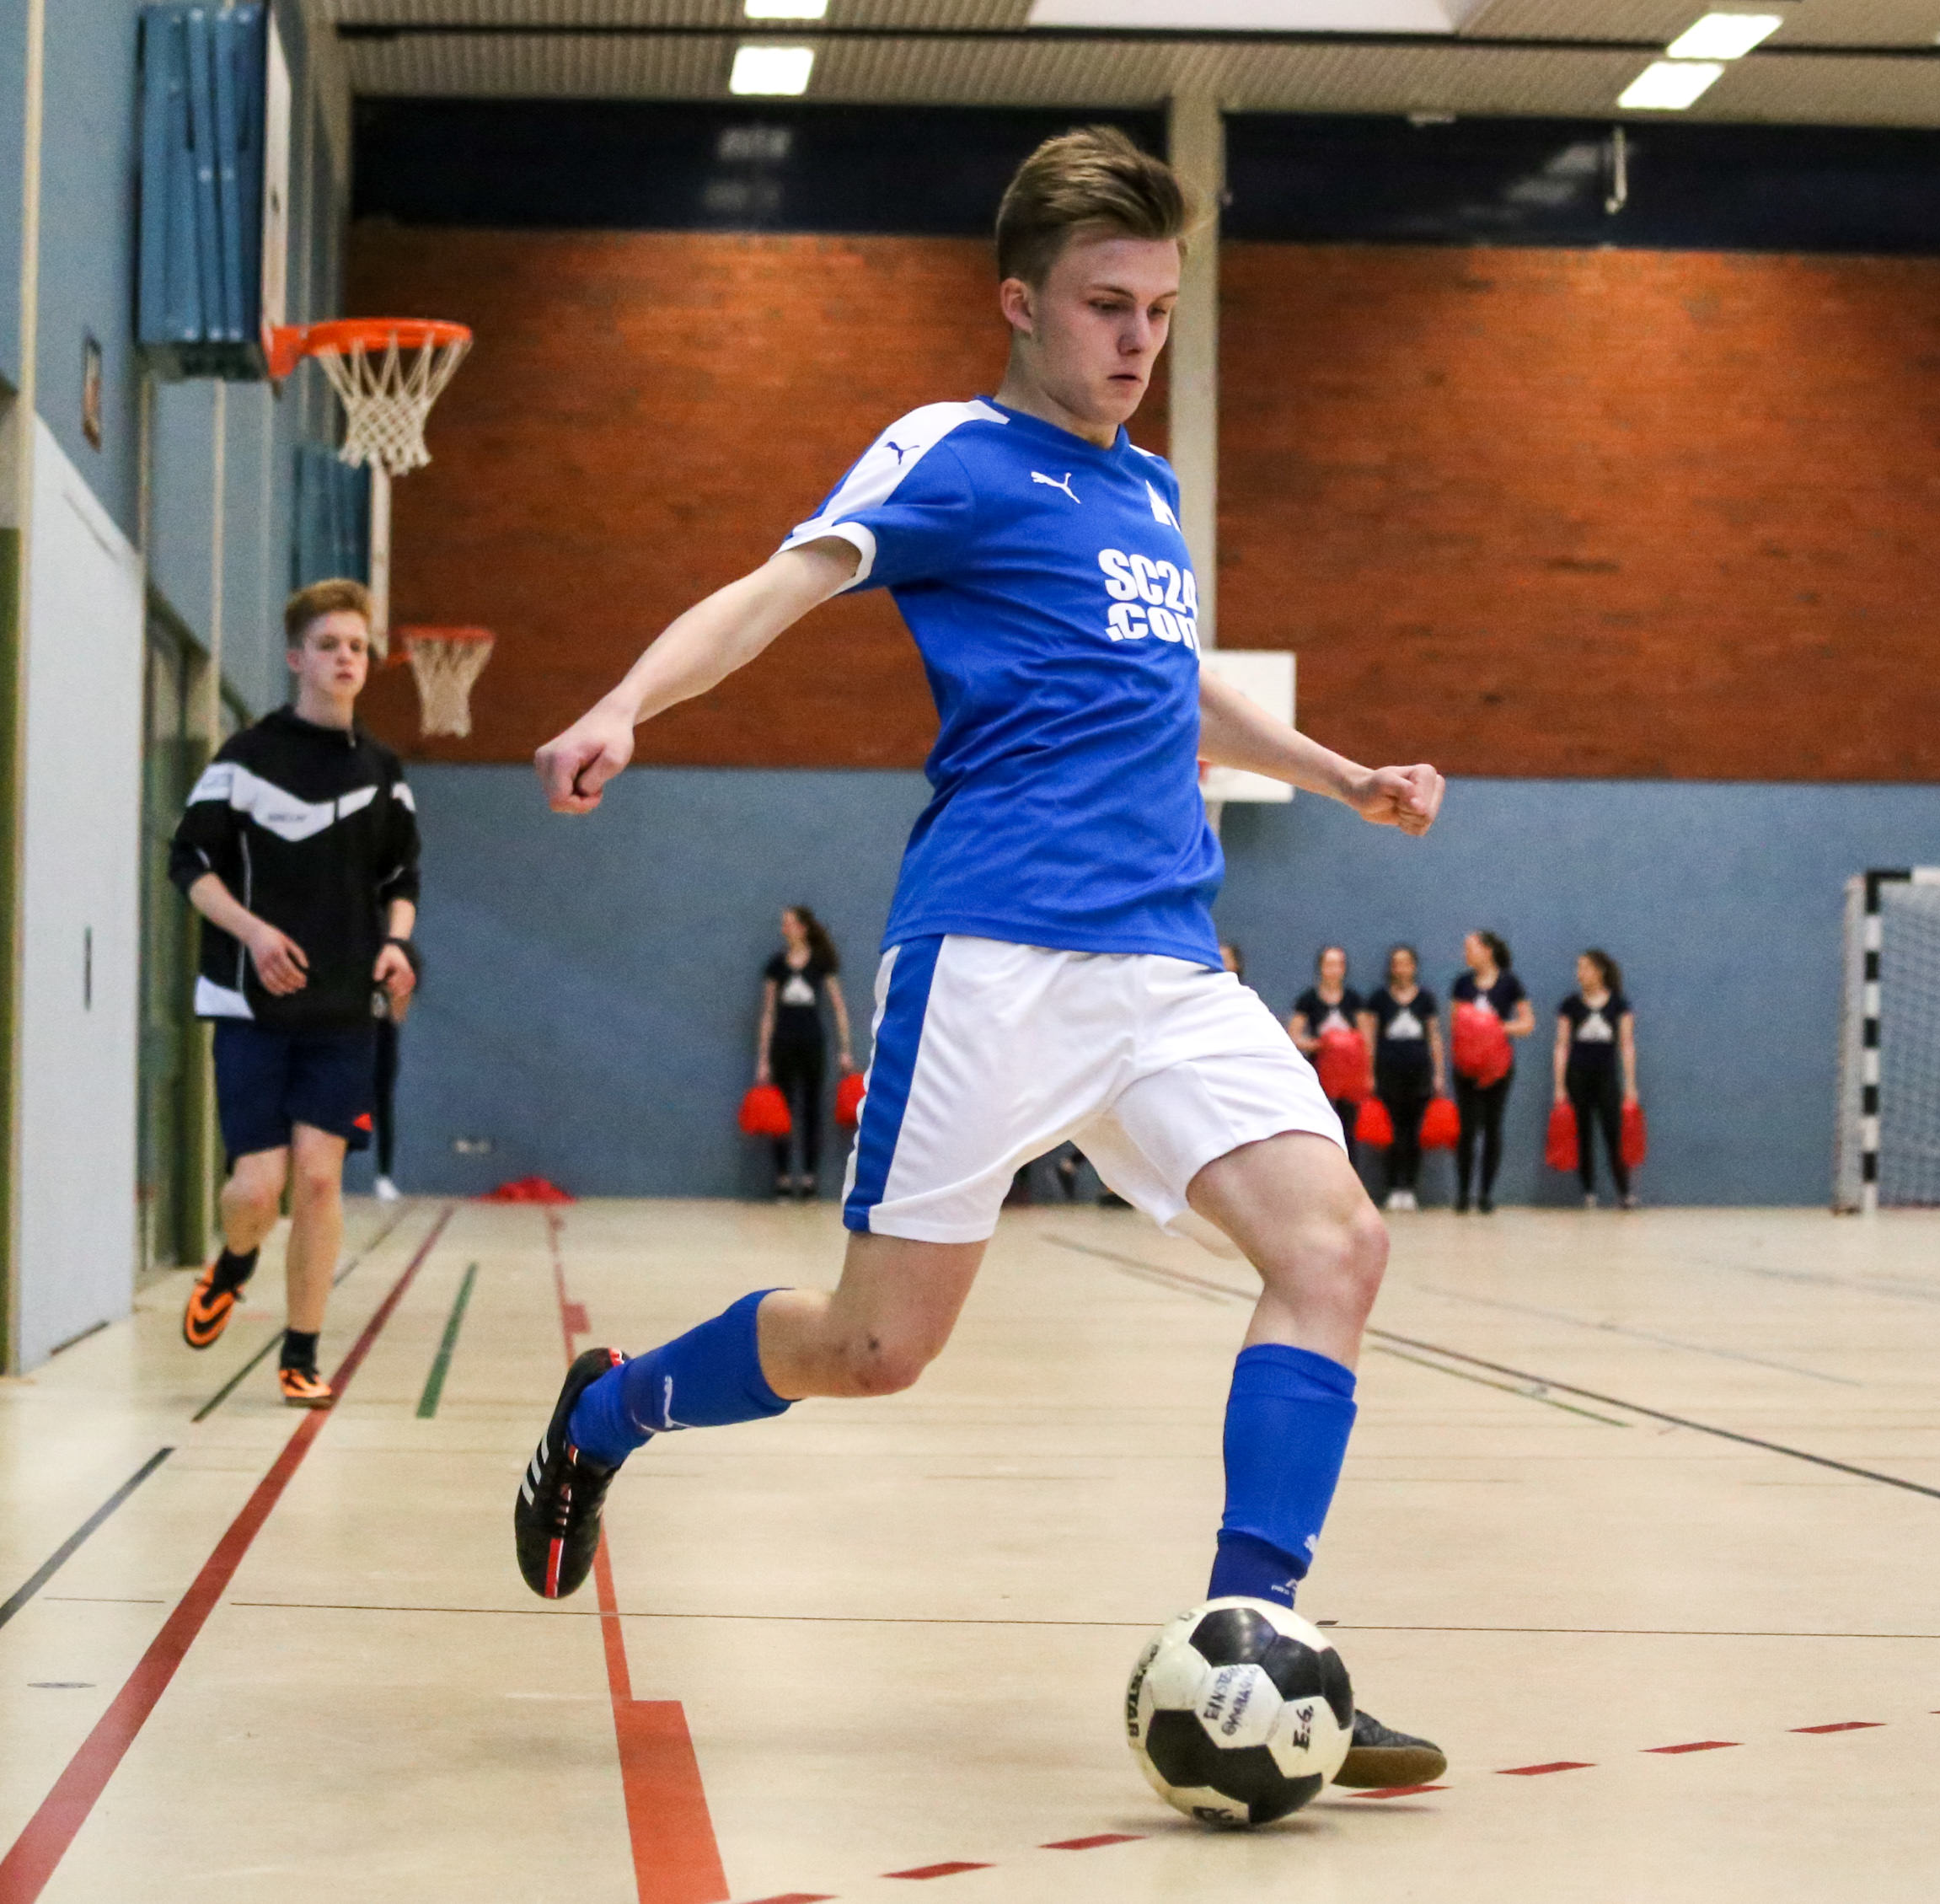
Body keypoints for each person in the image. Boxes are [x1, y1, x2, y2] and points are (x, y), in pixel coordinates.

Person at [515, 127, 1446, 1785]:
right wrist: (624, 701)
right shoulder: (950, 452)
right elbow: (775, 589)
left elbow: (1176, 682)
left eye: (1160, 308)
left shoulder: (1147, 494)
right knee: (872, 1349)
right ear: (1020, 303)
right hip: (993, 957)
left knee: (1334, 1248)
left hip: (1165, 961)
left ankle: (1259, 1636)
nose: (1138, 339)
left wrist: (1336, 771)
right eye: (1106, 304)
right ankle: (607, 1410)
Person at [169, 579, 421, 1408]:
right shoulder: (244, 761)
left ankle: (302, 1350)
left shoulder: (382, 771)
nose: (345, 658)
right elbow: (188, 863)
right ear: (295, 658)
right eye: (328, 645)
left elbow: (402, 877)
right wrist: (253, 932)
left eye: (356, 646)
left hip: (343, 1011)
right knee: (255, 1189)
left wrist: (395, 945)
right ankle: (235, 1260)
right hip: (250, 1002)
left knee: (318, 1180)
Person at [756, 904, 855, 1200]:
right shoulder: (776, 965)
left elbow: (838, 1008)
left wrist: (845, 1050)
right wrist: (763, 1058)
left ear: (802, 928)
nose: (783, 928)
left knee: (812, 1111)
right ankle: (783, 1178)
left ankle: (810, 1179)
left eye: (788, 923)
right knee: (781, 1113)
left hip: (812, 1044)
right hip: (783, 1045)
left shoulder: (820, 963)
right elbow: (768, 1014)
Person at [1449, 930, 1532, 1213]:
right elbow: (1455, 1022)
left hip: (1497, 1068)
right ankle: (1463, 1193)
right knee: (1467, 1129)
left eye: (1470, 948)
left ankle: (1485, 1193)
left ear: (1487, 951)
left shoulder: (1510, 983)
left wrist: (1494, 1027)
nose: (1465, 954)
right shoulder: (1462, 983)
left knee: (1492, 1128)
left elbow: (1527, 1023)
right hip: (1466, 1067)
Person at [1359, 945, 1444, 1212]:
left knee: (1414, 1132)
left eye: (1406, 962)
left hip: (1419, 1075)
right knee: (1392, 1133)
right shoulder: (1379, 999)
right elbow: (1370, 1039)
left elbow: (1434, 1037)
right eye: (1397, 963)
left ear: (1414, 967)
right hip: (1388, 1074)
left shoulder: (1426, 999)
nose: (1402, 968)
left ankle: (1410, 1188)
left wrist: (1439, 1073)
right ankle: (1393, 1187)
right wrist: (1368, 1072)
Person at [1552, 949, 1637, 1209]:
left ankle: (1624, 1192)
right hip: (1578, 1077)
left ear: (1599, 972)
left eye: (1585, 968)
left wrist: (1630, 1085)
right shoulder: (1570, 1005)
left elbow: (1626, 1045)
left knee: (1614, 1134)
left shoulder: (1619, 1005)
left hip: (1606, 1077)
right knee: (1583, 1134)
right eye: (1578, 968)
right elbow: (1562, 1046)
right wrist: (1559, 1086)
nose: (1579, 974)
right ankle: (1588, 1192)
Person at [1287, 945, 1367, 1147]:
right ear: (1320, 968)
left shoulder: (1354, 1000)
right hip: (1320, 1072)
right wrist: (1322, 1044)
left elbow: (1366, 1036)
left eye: (1338, 965)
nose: (1333, 970)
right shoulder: (1308, 1000)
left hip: (1350, 1075)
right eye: (1329, 964)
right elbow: (1293, 1036)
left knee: (1349, 1128)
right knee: (1321, 1124)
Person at [370, 984, 407, 1202]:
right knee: (350, 1116)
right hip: (351, 1047)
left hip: (382, 1050)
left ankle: (383, 1176)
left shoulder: (389, 986)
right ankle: (334, 1176)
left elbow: (398, 1013)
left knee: (383, 1112)